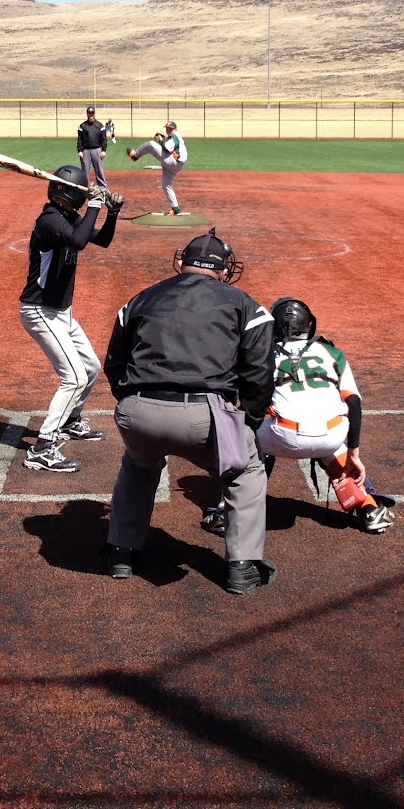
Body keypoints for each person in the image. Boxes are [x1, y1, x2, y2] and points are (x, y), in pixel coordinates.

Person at [101, 229, 278, 594]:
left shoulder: (141, 298)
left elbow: (115, 362)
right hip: (204, 416)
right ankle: (241, 568)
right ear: (224, 270)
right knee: (246, 469)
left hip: (138, 413)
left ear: (182, 262)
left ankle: (121, 552)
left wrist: (131, 403)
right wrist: (251, 422)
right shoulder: (246, 304)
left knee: (138, 464)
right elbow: (259, 374)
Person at [206, 297, 394, 536]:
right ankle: (369, 508)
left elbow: (249, 401)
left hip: (282, 436)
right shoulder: (331, 352)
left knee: (248, 436)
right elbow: (354, 403)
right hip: (331, 436)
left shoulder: (262, 354)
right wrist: (354, 454)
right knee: (332, 440)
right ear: (309, 324)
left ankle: (227, 513)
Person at [19, 165, 124, 473]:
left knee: (90, 367)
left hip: (60, 311)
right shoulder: (50, 221)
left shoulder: (66, 217)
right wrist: (95, 203)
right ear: (69, 195)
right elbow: (78, 242)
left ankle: (71, 420)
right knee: (75, 376)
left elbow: (100, 240)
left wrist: (112, 212)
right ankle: (44, 447)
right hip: (39, 310)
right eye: (80, 193)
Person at [127, 120, 188, 215]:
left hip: (173, 162)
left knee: (151, 144)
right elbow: (169, 149)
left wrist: (160, 141)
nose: (167, 130)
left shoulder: (175, 136)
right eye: (167, 128)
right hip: (177, 165)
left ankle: (135, 156)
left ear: (173, 129)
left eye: (169, 128)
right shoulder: (177, 137)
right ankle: (176, 208)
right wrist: (162, 141)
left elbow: (167, 148)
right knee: (166, 184)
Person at [76, 106, 110, 189]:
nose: (91, 115)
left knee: (99, 169)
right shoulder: (82, 126)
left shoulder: (99, 125)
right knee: (85, 170)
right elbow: (79, 139)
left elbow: (104, 139)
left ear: (94, 114)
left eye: (92, 113)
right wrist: (80, 150)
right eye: (89, 113)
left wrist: (104, 150)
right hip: (85, 151)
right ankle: (84, 187)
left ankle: (102, 187)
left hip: (97, 150)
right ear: (87, 114)